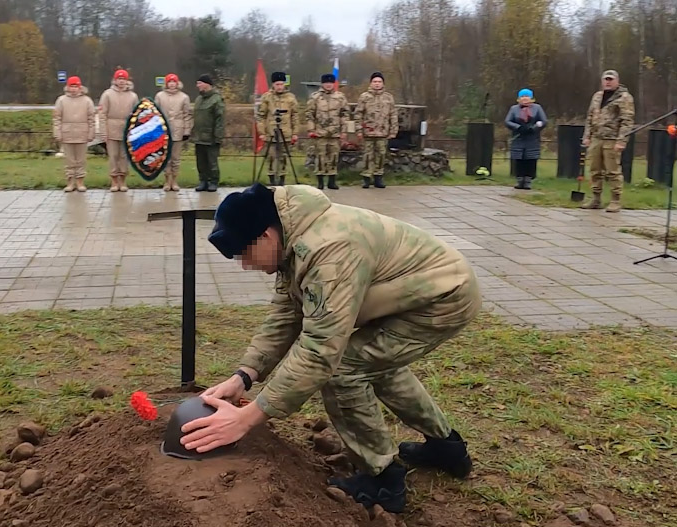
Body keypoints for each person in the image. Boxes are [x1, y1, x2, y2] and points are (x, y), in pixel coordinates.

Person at [178, 183, 482, 514]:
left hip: (441, 298)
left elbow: (320, 350)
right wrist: (244, 376)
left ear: (265, 236)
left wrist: (248, 418)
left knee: (343, 369)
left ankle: (383, 479)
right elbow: (286, 315)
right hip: (416, 292)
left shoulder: (327, 252)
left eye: (244, 254)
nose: (244, 265)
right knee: (374, 363)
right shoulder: (291, 238)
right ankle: (446, 448)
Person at [580, 70, 635, 213]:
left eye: (611, 79)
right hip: (596, 138)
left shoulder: (624, 97)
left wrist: (622, 140)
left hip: (612, 139)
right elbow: (590, 117)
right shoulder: (597, 96)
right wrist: (587, 136)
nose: (608, 82)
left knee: (613, 171)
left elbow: (627, 121)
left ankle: (615, 200)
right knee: (594, 169)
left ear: (617, 80)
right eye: (606, 79)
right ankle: (596, 198)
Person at [354, 72, 398, 189]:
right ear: (371, 83)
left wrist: (394, 130)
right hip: (368, 132)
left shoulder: (388, 97)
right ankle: (366, 178)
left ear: (383, 83)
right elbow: (358, 114)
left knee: (381, 155)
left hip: (383, 132)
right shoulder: (364, 97)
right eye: (375, 82)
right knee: (367, 156)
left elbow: (393, 114)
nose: (377, 84)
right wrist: (358, 130)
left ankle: (378, 178)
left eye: (379, 82)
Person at [306, 74, 349, 190]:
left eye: (330, 83)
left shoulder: (340, 97)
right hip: (320, 132)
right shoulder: (315, 97)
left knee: (334, 157)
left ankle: (332, 181)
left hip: (335, 133)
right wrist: (311, 129)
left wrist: (344, 131)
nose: (328, 85)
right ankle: (320, 181)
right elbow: (309, 114)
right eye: (326, 83)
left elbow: (344, 114)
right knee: (320, 157)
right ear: (322, 84)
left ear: (333, 83)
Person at [98, 68, 139, 192]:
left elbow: (137, 114)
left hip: (127, 130)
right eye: (119, 79)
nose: (121, 81)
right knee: (113, 156)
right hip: (111, 129)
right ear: (115, 80)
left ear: (127, 81)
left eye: (124, 79)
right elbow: (102, 114)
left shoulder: (133, 96)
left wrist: (135, 132)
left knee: (124, 157)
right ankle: (114, 181)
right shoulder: (107, 94)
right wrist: (103, 132)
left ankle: (123, 180)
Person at [53, 76, 96, 192]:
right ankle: (70, 182)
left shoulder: (87, 101)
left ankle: (80, 182)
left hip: (82, 134)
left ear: (80, 87)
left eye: (75, 86)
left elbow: (91, 119)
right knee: (69, 160)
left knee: (81, 160)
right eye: (71, 86)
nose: (73, 89)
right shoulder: (61, 100)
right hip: (67, 134)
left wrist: (92, 133)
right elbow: (57, 118)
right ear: (67, 87)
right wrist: (57, 132)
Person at [256, 71, 299, 186]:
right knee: (271, 157)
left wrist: (295, 133)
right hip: (271, 133)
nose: (279, 87)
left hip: (286, 133)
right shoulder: (267, 97)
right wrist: (262, 132)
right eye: (277, 84)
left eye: (281, 84)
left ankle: (282, 180)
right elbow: (261, 115)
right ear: (273, 85)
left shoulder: (291, 98)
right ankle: (271, 180)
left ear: (284, 84)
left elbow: (295, 115)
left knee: (283, 158)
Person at [155, 73, 193, 192]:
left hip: (178, 129)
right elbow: (155, 113)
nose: (172, 84)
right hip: (163, 129)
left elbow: (187, 115)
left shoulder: (184, 97)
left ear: (177, 84)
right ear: (166, 83)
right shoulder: (160, 96)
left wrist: (187, 130)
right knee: (166, 157)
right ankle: (166, 180)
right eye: (169, 82)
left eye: (174, 82)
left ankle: (174, 180)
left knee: (176, 157)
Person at [504, 88, 547, 190]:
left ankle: (528, 181)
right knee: (519, 159)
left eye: (527, 96)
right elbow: (508, 121)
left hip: (532, 138)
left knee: (531, 159)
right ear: (519, 98)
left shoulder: (537, 108)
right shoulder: (514, 109)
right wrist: (518, 127)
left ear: (531, 98)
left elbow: (543, 120)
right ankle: (519, 180)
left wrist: (534, 128)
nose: (525, 98)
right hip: (519, 137)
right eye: (522, 96)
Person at [190, 75, 225, 192]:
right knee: (200, 162)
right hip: (199, 137)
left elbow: (220, 119)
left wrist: (218, 136)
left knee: (212, 162)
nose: (197, 86)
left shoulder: (216, 99)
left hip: (211, 137)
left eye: (199, 83)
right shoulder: (199, 99)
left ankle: (213, 181)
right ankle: (203, 181)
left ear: (207, 84)